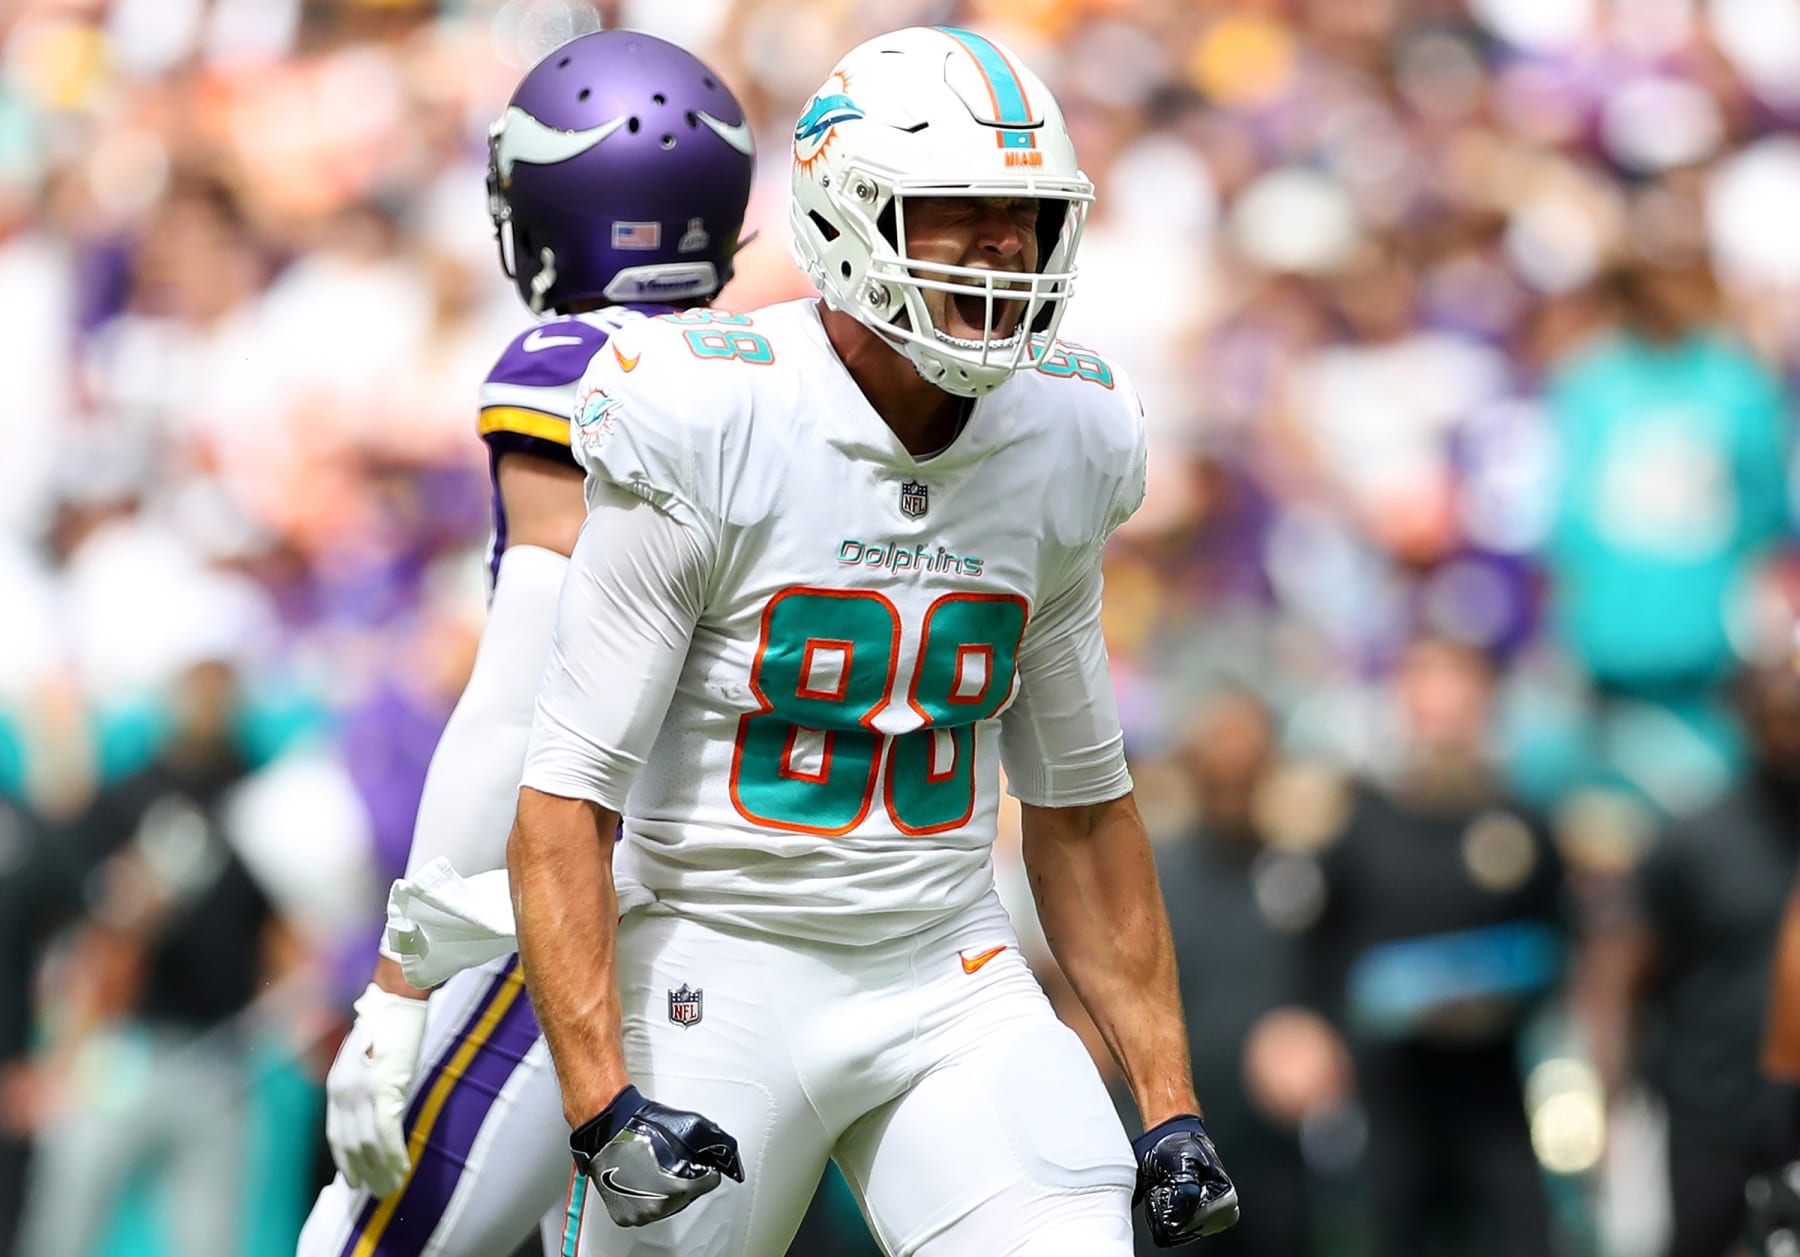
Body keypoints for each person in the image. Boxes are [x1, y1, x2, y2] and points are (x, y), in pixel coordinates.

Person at [507, 25, 1237, 1257]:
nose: (1004, 245)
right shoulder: (714, 409)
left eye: (1025, 214)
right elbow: (565, 799)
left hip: (942, 967)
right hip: (714, 967)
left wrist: (1168, 1100)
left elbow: (1080, 804)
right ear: (851, 215)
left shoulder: (1069, 433)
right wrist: (598, 1100)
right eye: (958, 208)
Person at [297, 29, 755, 1257]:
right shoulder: (779, 376)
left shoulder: (574, 371)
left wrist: (398, 991)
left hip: (601, 904)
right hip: (767, 910)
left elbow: (518, 712)